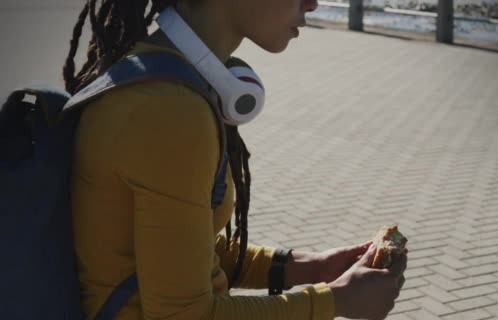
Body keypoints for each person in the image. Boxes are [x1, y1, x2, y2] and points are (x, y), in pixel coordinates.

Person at [64, 0, 408, 319]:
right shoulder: (169, 110)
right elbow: (182, 314)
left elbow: (184, 252)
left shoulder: (157, 75)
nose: (313, 3)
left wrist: (311, 266)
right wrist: (336, 300)